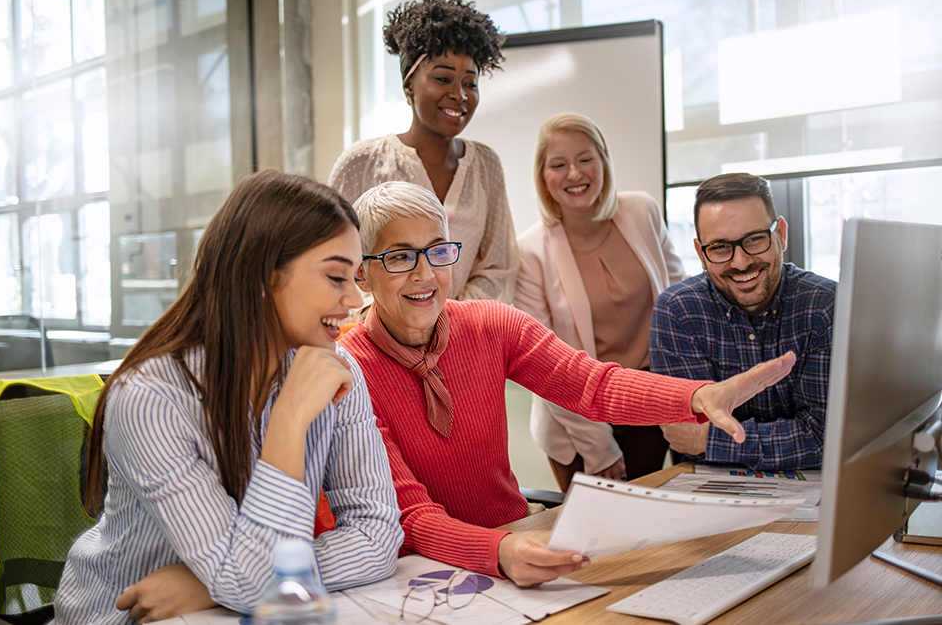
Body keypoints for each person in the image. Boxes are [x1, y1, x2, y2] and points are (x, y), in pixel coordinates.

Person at [339, 181, 796, 587]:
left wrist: (696, 396)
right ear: (361, 272)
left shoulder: (490, 324)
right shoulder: (350, 369)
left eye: (438, 250)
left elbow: (593, 386)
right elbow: (412, 517)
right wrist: (496, 552)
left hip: (515, 540)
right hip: (420, 572)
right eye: (400, 257)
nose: (424, 274)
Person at [54, 172, 403, 625]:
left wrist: (211, 584)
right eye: (337, 276)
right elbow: (252, 583)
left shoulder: (337, 371)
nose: (356, 299)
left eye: (356, 277)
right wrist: (290, 418)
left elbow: (378, 537)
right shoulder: (150, 398)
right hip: (128, 616)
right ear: (262, 277)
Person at [516, 113, 685, 490]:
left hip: (648, 407)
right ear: (543, 177)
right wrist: (598, 447)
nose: (574, 174)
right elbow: (544, 363)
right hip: (576, 423)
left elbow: (681, 303)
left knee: (652, 535)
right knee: (596, 541)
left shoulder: (642, 211)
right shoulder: (529, 252)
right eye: (558, 165)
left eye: (585, 159)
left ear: (604, 160)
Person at [328, 0, 518, 303]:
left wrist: (443, 321)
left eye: (470, 83)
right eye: (443, 78)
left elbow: (499, 267)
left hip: (462, 337)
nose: (459, 94)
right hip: (377, 341)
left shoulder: (485, 164)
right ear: (409, 86)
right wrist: (398, 324)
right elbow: (335, 261)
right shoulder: (363, 162)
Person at [650, 172, 836, 470]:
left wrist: (712, 440)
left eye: (754, 239)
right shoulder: (678, 311)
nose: (741, 262)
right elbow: (684, 436)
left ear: (781, 234)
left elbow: (825, 437)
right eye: (720, 247)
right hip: (714, 494)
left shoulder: (825, 306)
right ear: (701, 253)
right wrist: (786, 439)